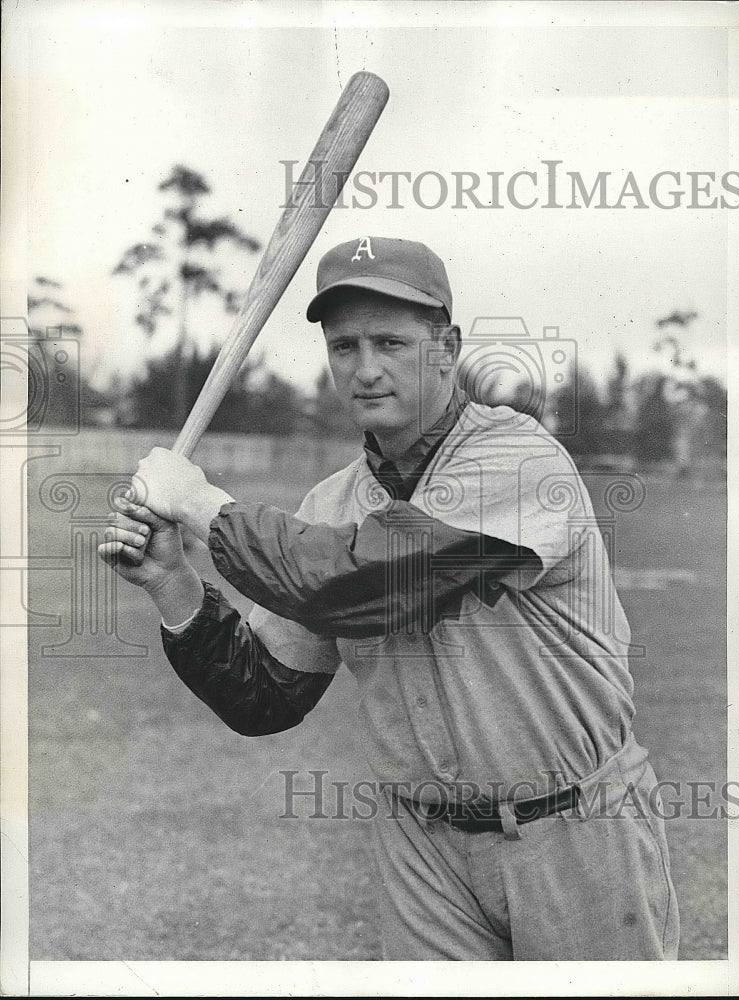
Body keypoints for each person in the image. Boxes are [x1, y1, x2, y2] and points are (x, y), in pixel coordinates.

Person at [99, 236, 680, 961]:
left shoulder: (518, 457)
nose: (365, 369)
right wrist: (171, 581)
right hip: (422, 848)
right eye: (344, 347)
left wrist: (205, 506)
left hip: (573, 827)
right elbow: (261, 697)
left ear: (447, 347)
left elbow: (365, 581)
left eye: (389, 342)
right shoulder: (329, 503)